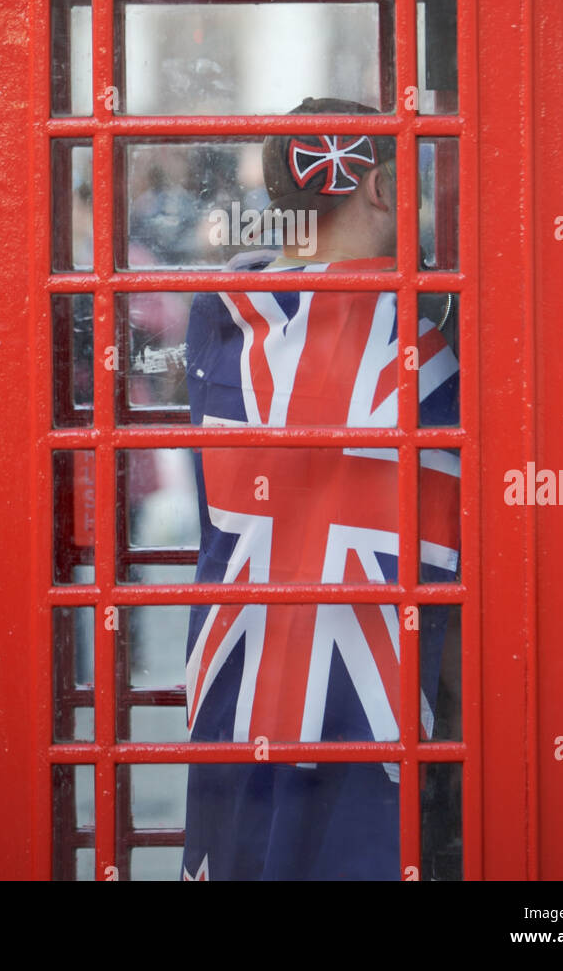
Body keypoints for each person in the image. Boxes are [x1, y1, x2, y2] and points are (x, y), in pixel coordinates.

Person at [180, 99, 460, 881]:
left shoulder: (222, 317)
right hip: (364, 700)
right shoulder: (421, 332)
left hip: (235, 680)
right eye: (413, 179)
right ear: (378, 187)